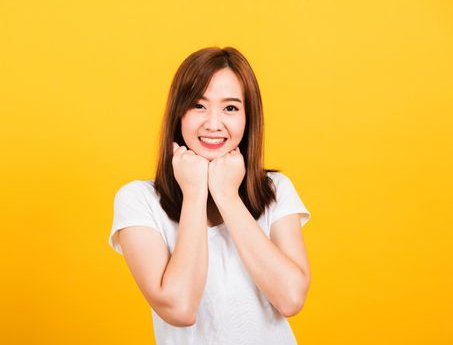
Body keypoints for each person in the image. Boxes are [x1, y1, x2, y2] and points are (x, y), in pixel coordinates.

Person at [108, 46, 312, 344]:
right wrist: (194, 193)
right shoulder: (138, 201)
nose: (214, 124)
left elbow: (291, 298)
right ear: (178, 112)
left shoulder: (275, 189)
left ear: (248, 118)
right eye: (199, 106)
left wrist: (227, 196)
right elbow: (179, 308)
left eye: (230, 108)